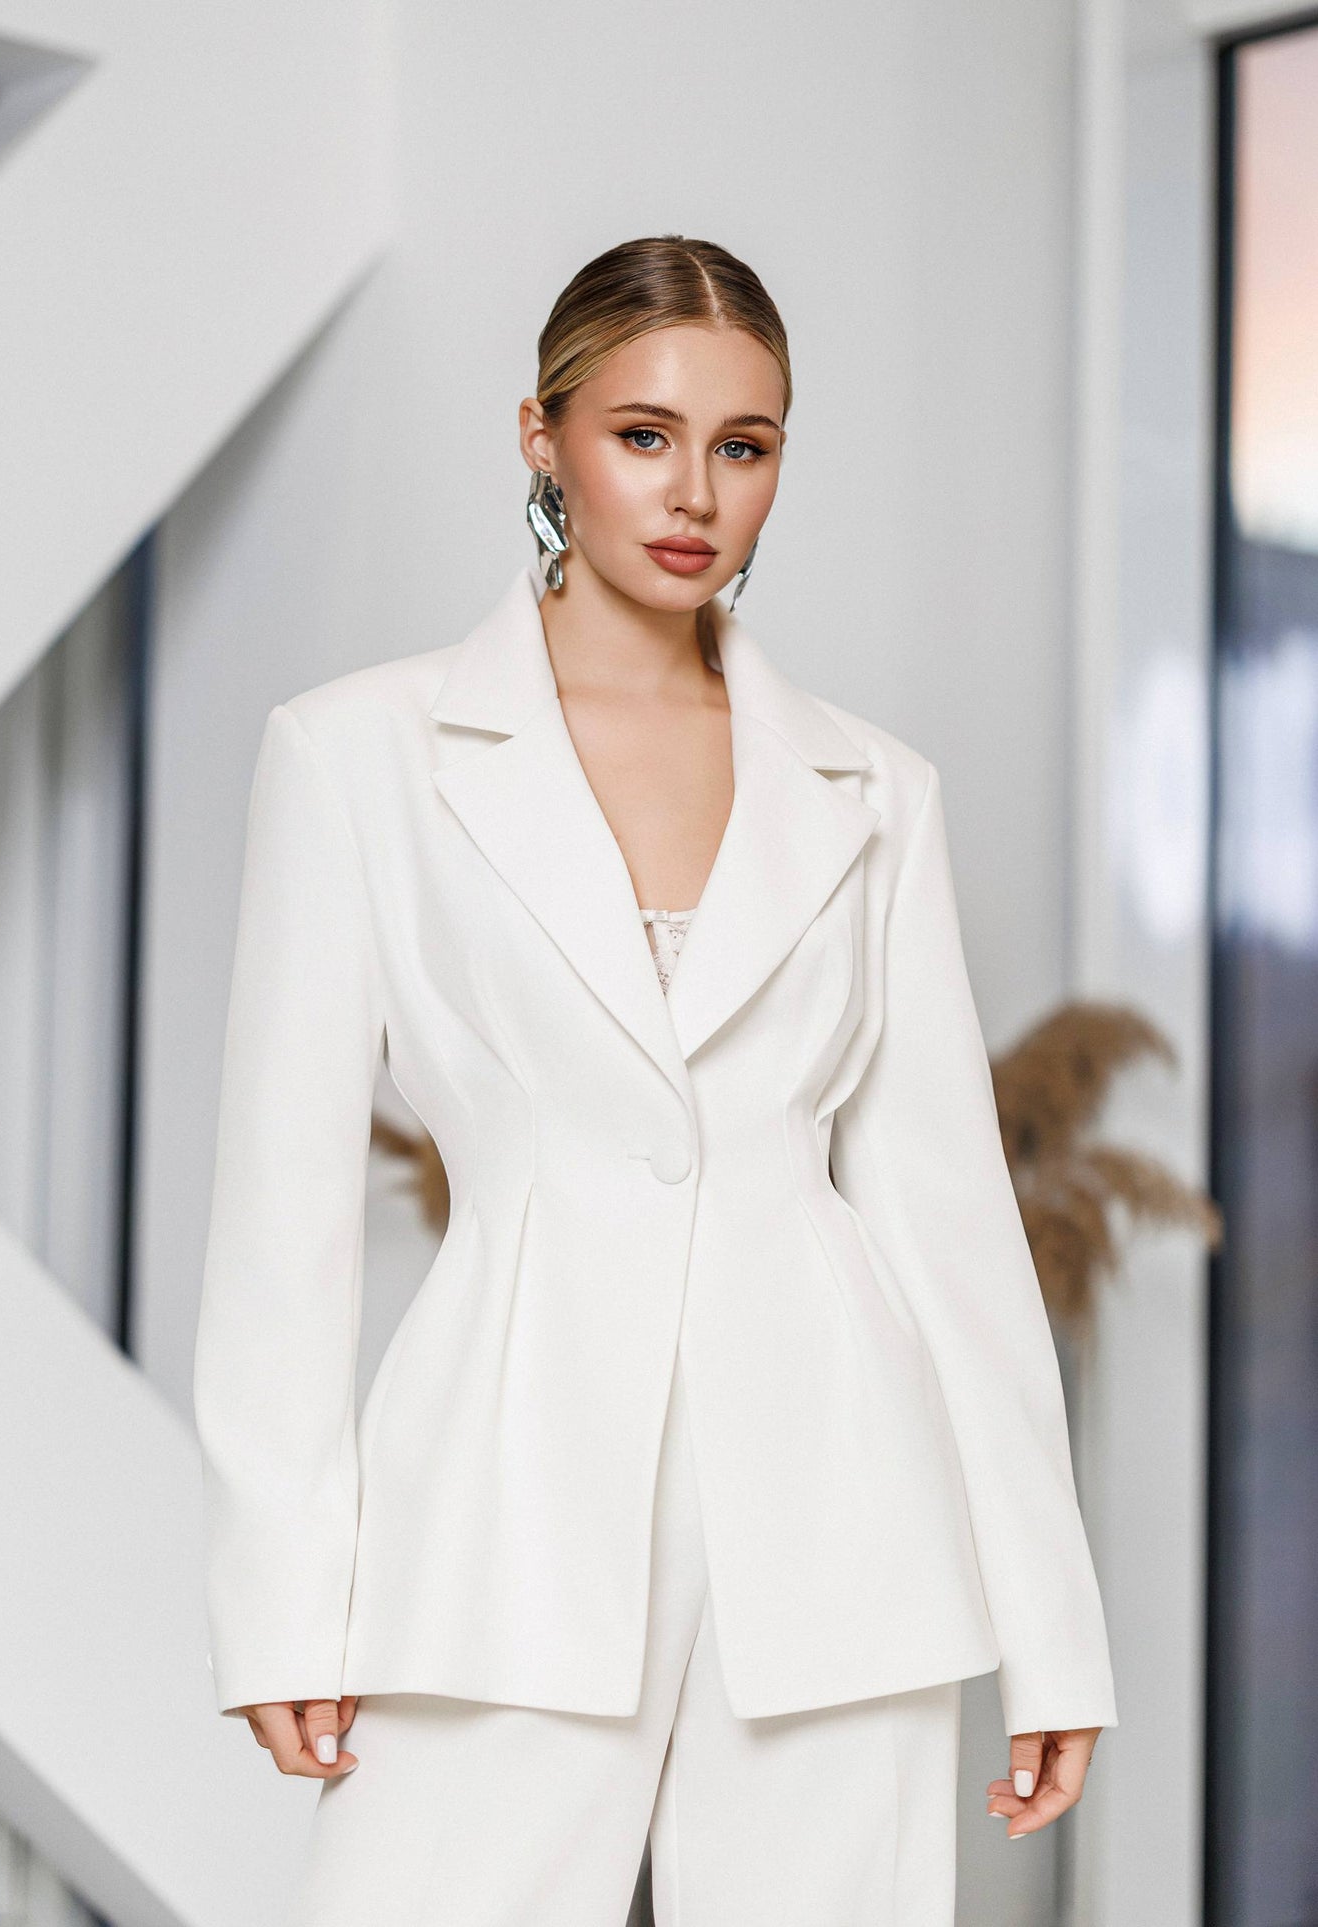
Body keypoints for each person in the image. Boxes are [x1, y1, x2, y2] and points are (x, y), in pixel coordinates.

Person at [192, 235, 1117, 1926]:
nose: (694, 491)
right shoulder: (353, 756)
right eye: (642, 434)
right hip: (500, 1521)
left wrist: (1050, 1626)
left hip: (839, 1535)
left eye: (743, 445)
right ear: (539, 439)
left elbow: (945, 1224)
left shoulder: (872, 788)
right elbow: (280, 1222)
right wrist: (280, 1600)